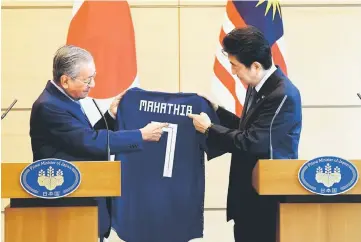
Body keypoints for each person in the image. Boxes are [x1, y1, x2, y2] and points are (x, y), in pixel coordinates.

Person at [28, 45, 168, 242]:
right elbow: (87, 142)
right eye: (87, 80)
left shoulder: (63, 100)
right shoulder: (49, 106)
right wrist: (140, 135)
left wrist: (110, 115)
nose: (92, 84)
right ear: (65, 80)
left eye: (93, 77)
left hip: (84, 201)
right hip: (69, 204)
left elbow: (80, 137)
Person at [188, 26, 302, 242]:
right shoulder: (257, 85)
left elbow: (254, 142)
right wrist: (217, 110)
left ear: (256, 66)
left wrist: (209, 129)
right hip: (248, 195)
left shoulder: (283, 94)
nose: (232, 71)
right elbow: (247, 128)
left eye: (235, 65)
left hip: (266, 199)